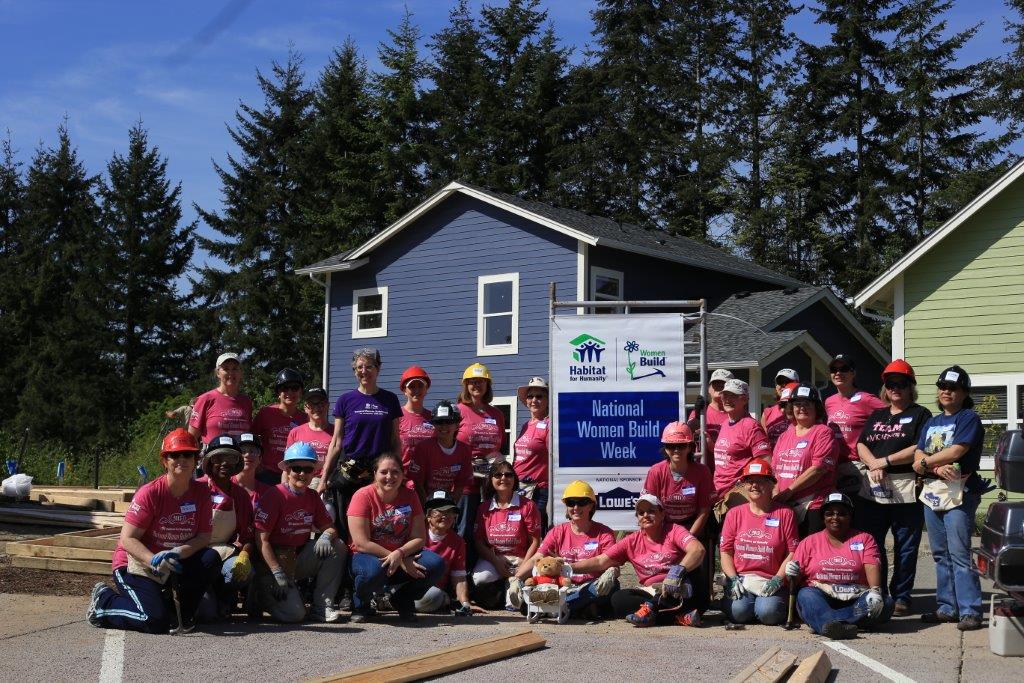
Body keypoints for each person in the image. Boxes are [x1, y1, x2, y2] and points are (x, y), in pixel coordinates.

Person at [87, 429, 220, 633]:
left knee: (210, 558)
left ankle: (181, 614)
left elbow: (203, 537)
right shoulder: (149, 493)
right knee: (153, 621)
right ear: (165, 461)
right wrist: (153, 560)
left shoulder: (202, 493)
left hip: (174, 562)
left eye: (187, 454)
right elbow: (127, 539)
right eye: (174, 455)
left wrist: (178, 552)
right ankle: (104, 603)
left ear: (196, 460)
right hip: (136, 563)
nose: (181, 460)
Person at [855, 359, 931, 616]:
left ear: (911, 387)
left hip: (905, 487)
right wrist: (873, 464)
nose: (895, 388)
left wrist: (885, 461)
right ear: (884, 388)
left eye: (901, 383)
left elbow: (920, 447)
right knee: (873, 544)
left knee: (906, 546)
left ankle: (901, 596)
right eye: (890, 384)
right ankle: (879, 593)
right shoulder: (878, 414)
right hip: (874, 489)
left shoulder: (921, 414)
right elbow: (861, 444)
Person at [913, 365, 985, 631]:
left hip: (960, 493)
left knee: (959, 553)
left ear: (964, 392)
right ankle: (947, 607)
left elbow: (957, 451)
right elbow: (917, 455)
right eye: (942, 386)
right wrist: (932, 467)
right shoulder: (932, 422)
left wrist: (926, 463)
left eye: (953, 387)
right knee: (940, 554)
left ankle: (970, 610)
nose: (946, 391)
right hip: (933, 491)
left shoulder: (968, 418)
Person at [569, 494, 705, 627]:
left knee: (694, 576)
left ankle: (651, 611)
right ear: (638, 519)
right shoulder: (631, 541)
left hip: (678, 589)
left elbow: (698, 550)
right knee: (618, 599)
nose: (645, 515)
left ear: (662, 514)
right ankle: (678, 617)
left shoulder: (674, 530)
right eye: (641, 513)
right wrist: (569, 568)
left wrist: (677, 572)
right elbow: (600, 561)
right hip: (652, 591)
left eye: (651, 511)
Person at [252, 442, 347, 623]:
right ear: (287, 470)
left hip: (296, 558)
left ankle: (321, 606)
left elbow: (330, 528)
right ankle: (260, 593)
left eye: (308, 469)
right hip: (273, 562)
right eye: (297, 468)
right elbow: (261, 540)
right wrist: (276, 572)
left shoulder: (312, 496)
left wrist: (326, 536)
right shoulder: (275, 495)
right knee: (294, 615)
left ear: (314, 472)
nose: (302, 474)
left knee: (338, 546)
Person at [347, 453, 445, 622]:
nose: (389, 477)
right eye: (384, 472)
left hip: (402, 554)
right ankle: (361, 604)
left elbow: (419, 538)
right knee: (373, 571)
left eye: (395, 472)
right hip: (367, 556)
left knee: (435, 564)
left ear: (402, 474)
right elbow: (361, 543)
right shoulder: (362, 496)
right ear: (375, 474)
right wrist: (399, 560)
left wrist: (400, 553)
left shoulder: (410, 496)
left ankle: (402, 599)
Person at [320, 348, 402, 540]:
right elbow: (336, 441)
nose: (364, 371)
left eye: (369, 366)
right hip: (349, 472)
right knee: (345, 522)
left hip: (378, 473)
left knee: (375, 522)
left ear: (378, 369)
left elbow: (395, 440)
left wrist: (398, 472)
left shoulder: (390, 399)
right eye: (359, 367)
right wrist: (324, 478)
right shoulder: (345, 400)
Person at [791, 492, 894, 639]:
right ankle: (844, 623)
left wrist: (875, 591)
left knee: (886, 603)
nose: (835, 517)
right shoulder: (809, 542)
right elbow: (794, 579)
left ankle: (826, 623)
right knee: (805, 596)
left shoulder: (865, 539)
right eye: (829, 514)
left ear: (850, 516)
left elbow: (872, 565)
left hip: (856, 597)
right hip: (820, 594)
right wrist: (792, 572)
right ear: (823, 517)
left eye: (842, 513)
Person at [522, 480, 618, 619]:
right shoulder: (557, 532)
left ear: (591, 505)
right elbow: (537, 558)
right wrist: (516, 579)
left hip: (590, 586)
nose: (576, 507)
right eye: (571, 503)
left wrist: (611, 571)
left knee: (611, 586)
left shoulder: (605, 533)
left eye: (582, 502)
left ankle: (553, 607)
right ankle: (574, 607)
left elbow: (604, 562)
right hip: (562, 586)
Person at [720, 458, 799, 625]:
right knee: (739, 612)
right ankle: (744, 605)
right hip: (743, 580)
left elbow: (793, 551)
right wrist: (733, 579)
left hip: (771, 580)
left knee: (768, 613)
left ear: (772, 485)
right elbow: (725, 551)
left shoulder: (785, 513)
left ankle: (763, 606)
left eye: (761, 481)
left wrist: (778, 579)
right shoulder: (734, 514)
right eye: (750, 481)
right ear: (744, 485)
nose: (754, 485)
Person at [195, 434, 255, 621]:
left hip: (224, 553)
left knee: (245, 572)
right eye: (218, 458)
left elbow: (248, 536)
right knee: (206, 615)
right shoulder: (195, 489)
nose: (224, 463)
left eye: (231, 458)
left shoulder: (241, 496)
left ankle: (222, 595)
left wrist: (244, 556)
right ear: (208, 461)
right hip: (195, 556)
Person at [472, 460, 542, 611]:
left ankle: (513, 584)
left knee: (514, 606)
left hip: (522, 558)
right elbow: (479, 542)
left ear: (514, 479)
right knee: (480, 579)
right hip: (495, 558)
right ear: (491, 480)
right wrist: (496, 562)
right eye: (498, 475)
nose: (503, 478)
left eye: (508, 475)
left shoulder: (528, 506)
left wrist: (524, 566)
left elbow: (535, 541)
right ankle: (504, 586)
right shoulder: (484, 507)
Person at [771, 384, 838, 536]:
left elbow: (818, 469)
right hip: (784, 503)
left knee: (810, 547)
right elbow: (774, 470)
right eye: (797, 404)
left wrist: (789, 491)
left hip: (812, 504)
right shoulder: (784, 436)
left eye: (807, 404)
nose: (802, 408)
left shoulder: (823, 433)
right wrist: (776, 492)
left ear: (816, 407)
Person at [456, 362, 506, 542]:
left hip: (491, 482)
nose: (476, 385)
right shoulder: (458, 410)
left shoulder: (497, 414)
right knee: (464, 528)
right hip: (466, 481)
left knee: (488, 529)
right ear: (466, 385)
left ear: (487, 385)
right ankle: (461, 561)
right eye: (472, 381)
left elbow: (500, 446)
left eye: (481, 381)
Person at [825, 354, 887, 495]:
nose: (838, 373)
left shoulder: (866, 399)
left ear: (853, 373)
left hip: (857, 466)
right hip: (834, 466)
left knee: (857, 506)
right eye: (834, 370)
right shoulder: (829, 402)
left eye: (844, 369)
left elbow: (892, 414)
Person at [414, 491, 473, 616]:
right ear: (428, 516)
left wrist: (465, 604)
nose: (445, 516)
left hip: (433, 591)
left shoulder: (458, 542)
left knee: (435, 595)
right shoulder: (416, 533)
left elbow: (459, 577)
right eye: (439, 511)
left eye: (449, 512)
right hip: (410, 584)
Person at [713, 378, 771, 501]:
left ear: (744, 399)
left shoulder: (751, 426)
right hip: (719, 493)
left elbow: (766, 461)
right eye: (725, 396)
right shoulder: (725, 424)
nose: (727, 400)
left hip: (739, 494)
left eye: (733, 396)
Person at [408, 399, 473, 504]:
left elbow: (460, 485)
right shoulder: (423, 448)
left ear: (457, 425)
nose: (444, 426)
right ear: (434, 424)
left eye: (449, 422)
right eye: (439, 422)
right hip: (421, 500)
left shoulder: (464, 450)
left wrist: (451, 506)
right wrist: (427, 506)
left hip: (446, 501)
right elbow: (418, 483)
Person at [188, 353, 253, 444]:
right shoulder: (205, 399)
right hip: (213, 452)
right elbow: (191, 437)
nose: (231, 373)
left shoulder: (246, 401)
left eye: (235, 368)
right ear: (218, 373)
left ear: (240, 373)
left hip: (240, 453)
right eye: (226, 369)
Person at [514, 377, 551, 532]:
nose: (534, 400)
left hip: (538, 490)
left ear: (547, 400)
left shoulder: (550, 424)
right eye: (530, 396)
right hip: (519, 487)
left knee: (536, 532)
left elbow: (554, 458)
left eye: (539, 396)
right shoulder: (525, 425)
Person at [285, 387, 334, 487]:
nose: (316, 408)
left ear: (327, 405)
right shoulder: (295, 432)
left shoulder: (336, 432)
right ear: (305, 408)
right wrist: (285, 490)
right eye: (311, 404)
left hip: (327, 482)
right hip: (300, 480)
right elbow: (287, 466)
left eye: (321, 404)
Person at [687, 368, 733, 459]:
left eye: (724, 384)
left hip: (729, 466)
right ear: (709, 389)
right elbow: (687, 432)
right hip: (703, 466)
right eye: (715, 384)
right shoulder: (700, 412)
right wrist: (697, 417)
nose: (719, 386)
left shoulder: (737, 414)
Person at [398, 365, 433, 475]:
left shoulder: (433, 418)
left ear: (426, 389)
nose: (417, 390)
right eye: (412, 387)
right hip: (403, 477)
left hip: (429, 477)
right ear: (404, 390)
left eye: (420, 386)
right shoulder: (396, 417)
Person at [761, 369, 800, 448]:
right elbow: (763, 441)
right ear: (776, 386)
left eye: (788, 382)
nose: (783, 385)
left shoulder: (802, 410)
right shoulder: (767, 412)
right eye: (780, 382)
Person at [233, 432, 271, 505]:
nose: (247, 455)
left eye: (253, 451)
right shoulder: (223, 486)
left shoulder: (268, 493)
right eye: (242, 451)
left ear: (260, 459)